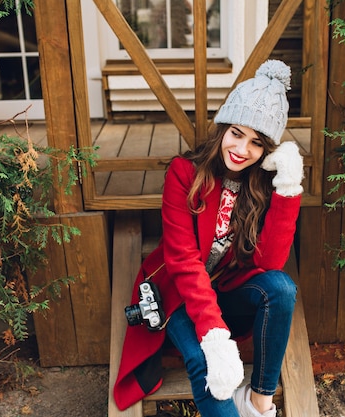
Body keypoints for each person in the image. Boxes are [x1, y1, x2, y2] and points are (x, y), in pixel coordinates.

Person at [113, 60, 304, 417]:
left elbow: (269, 264)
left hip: (228, 291)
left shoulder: (260, 185)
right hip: (180, 295)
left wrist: (288, 189)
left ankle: (259, 402)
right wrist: (214, 334)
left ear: (266, 151)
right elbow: (183, 261)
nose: (242, 149)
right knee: (207, 363)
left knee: (280, 288)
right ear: (222, 129)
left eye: (257, 143)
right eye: (237, 133)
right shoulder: (184, 174)